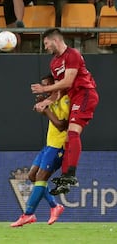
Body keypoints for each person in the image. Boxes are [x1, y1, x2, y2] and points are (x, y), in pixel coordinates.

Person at [31, 28, 99, 194]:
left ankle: (70, 174)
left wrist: (44, 88)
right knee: (70, 137)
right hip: (75, 96)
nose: (45, 47)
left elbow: (68, 82)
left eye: (46, 43)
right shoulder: (54, 63)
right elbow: (60, 90)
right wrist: (46, 101)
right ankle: (66, 178)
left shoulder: (72, 54)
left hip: (85, 94)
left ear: (55, 40)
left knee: (73, 133)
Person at [11, 75, 69, 227]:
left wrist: (46, 111)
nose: (45, 91)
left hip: (59, 146)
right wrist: (44, 105)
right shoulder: (52, 100)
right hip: (49, 145)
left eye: (48, 86)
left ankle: (28, 214)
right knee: (32, 176)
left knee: (41, 177)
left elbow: (61, 125)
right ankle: (55, 206)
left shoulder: (66, 100)